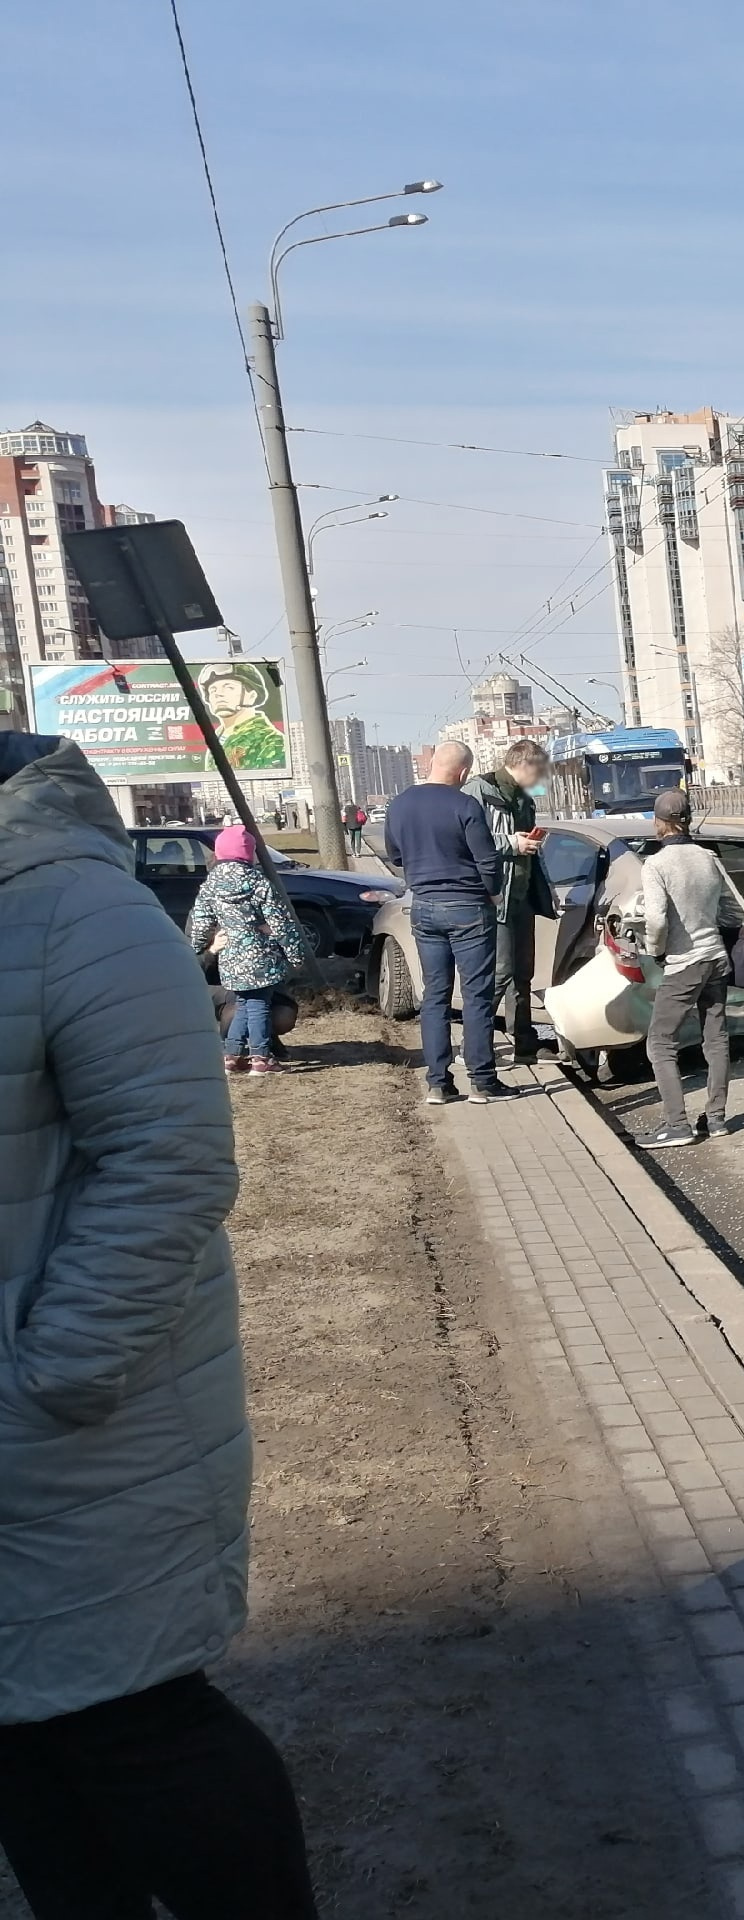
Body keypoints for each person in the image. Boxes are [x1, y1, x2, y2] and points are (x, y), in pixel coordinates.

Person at [0, 730, 318, 1918]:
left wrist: (57, 1373)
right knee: (23, 1740)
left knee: (134, 1722)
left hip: (80, 1422)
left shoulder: (75, 910)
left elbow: (172, 1163)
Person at [382, 742, 508, 1106]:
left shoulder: (400, 804)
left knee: (435, 996)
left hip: (424, 907)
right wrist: (493, 894)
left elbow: (396, 854)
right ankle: (482, 1081)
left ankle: (438, 1083)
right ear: (464, 773)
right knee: (476, 995)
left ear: (432, 764)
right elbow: (488, 860)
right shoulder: (465, 804)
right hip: (469, 908)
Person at [634, 787, 744, 1148]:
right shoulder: (708, 857)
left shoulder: (655, 865)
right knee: (715, 1039)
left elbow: (655, 920)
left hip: (685, 964)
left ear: (659, 823)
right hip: (716, 959)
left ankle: (676, 1125)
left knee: (660, 1042)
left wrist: (655, 951)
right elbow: (732, 911)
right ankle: (716, 1119)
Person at [187, 823, 314, 1077]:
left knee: (245, 1005)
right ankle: (261, 1057)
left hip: (231, 959)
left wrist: (200, 945)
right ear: (248, 854)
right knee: (258, 1005)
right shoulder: (258, 882)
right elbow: (282, 922)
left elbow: (200, 920)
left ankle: (231, 1055)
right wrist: (296, 954)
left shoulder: (211, 885)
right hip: (260, 959)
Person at [463, 738, 556, 1066]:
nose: (542, 779)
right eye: (540, 771)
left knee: (522, 974)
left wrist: (529, 845)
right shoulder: (480, 791)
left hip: (522, 896)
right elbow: (468, 839)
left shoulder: (525, 798)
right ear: (525, 764)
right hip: (495, 897)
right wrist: (512, 844)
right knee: (500, 972)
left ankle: (525, 1046)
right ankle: (475, 1047)